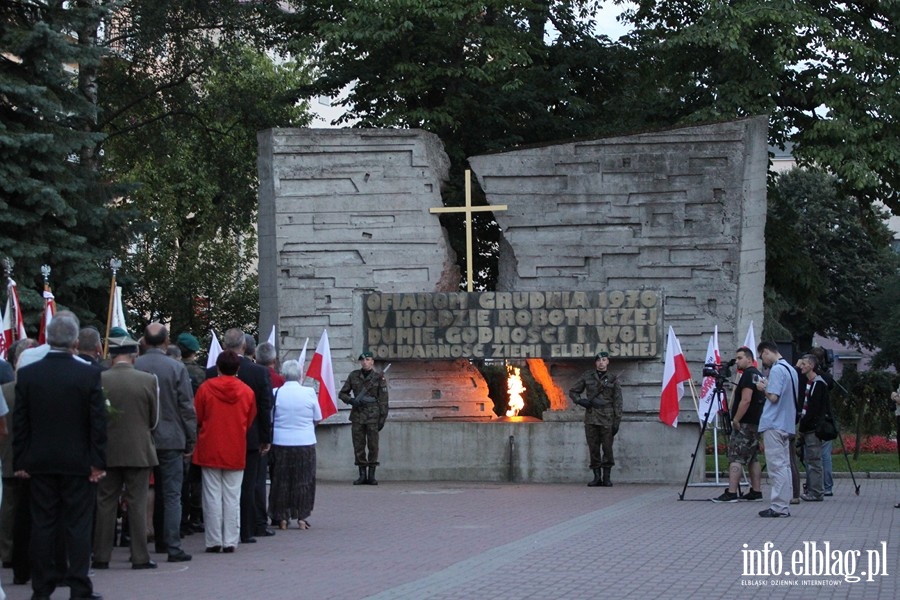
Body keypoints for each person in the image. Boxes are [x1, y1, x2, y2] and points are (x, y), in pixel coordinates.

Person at [13, 313, 107, 600]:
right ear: (75, 341)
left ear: (48, 339)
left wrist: (21, 460)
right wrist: (97, 461)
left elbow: (21, 421)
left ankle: (42, 587)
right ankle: (79, 586)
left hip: (39, 461)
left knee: (43, 524)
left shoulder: (29, 374)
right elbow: (97, 421)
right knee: (78, 525)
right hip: (78, 462)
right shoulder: (88, 373)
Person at [92, 333, 159, 570]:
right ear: (134, 355)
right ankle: (140, 556)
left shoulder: (99, 378)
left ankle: (101, 555)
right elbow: (154, 419)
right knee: (137, 503)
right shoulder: (147, 380)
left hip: (107, 449)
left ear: (111, 355)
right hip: (139, 449)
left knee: (105, 502)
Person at [134, 322, 196, 562]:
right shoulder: (176, 367)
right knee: (171, 494)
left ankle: (138, 548)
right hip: (171, 438)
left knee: (139, 494)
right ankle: (171, 545)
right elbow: (186, 407)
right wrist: (190, 440)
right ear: (166, 342)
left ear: (144, 342)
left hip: (141, 438)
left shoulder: (135, 365)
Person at [205, 328, 273, 542]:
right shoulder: (259, 372)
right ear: (244, 346)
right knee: (246, 485)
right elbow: (265, 407)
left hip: (217, 436)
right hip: (249, 437)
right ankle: (244, 530)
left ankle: (217, 533)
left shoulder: (210, 373)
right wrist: (265, 437)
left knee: (216, 489)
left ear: (225, 346)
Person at [193, 351, 257, 553]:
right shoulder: (247, 392)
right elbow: (249, 419)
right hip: (235, 446)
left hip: (210, 445)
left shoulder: (205, 388)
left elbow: (199, 416)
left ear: (218, 367)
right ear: (238, 368)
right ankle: (230, 539)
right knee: (232, 496)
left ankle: (213, 540)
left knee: (211, 496)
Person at [268, 360, 321, 530]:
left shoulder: (275, 392)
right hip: (305, 442)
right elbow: (317, 417)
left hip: (280, 442)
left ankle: (281, 517)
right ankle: (302, 516)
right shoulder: (309, 392)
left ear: (283, 375)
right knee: (304, 480)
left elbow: (270, 419)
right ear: (300, 375)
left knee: (281, 480)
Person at [711, 347, 765, 502]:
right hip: (755, 422)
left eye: (740, 358)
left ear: (749, 359)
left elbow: (746, 399)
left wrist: (736, 419)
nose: (737, 361)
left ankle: (732, 492)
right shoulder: (757, 374)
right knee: (753, 457)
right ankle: (756, 491)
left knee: (736, 456)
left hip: (745, 423)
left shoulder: (748, 374)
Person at [755, 341, 799, 518]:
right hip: (786, 422)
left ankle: (779, 506)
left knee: (776, 466)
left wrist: (763, 387)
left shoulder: (777, 370)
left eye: (761, 356)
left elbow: (773, 397)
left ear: (766, 352)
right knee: (785, 466)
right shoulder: (791, 370)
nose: (762, 360)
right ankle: (784, 503)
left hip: (774, 422)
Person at [568, 351, 623, 487]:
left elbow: (618, 401)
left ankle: (607, 477)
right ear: (595, 363)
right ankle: (596, 477)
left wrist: (617, 421)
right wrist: (581, 401)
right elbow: (573, 391)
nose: (601, 363)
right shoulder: (587, 376)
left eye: (604, 360)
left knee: (607, 448)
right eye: (599, 360)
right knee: (593, 448)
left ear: (608, 362)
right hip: (591, 417)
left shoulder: (613, 378)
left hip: (607, 417)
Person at [339, 351, 389, 485]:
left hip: (373, 416)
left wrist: (382, 419)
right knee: (358, 446)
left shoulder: (379, 378)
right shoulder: (354, 375)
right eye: (363, 360)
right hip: (358, 415)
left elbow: (384, 400)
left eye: (368, 359)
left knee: (373, 446)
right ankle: (362, 475)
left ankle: (371, 475)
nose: (365, 362)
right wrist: (351, 401)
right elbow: (342, 394)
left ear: (372, 362)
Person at [177, 332, 206, 535]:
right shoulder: (202, 374)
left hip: (174, 429)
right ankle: (195, 516)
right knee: (195, 477)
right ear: (195, 351)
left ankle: (180, 519)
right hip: (196, 428)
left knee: (177, 479)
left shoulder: (174, 369)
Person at [796, 354, 827, 502]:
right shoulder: (809, 382)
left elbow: (813, 409)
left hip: (813, 428)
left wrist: (803, 426)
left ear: (812, 366)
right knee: (809, 459)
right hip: (808, 425)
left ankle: (816, 491)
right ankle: (812, 488)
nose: (801, 367)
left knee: (814, 460)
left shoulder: (818, 384)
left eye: (804, 364)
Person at [809, 347, 834, 496]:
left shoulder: (814, 377)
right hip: (824, 417)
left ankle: (817, 485)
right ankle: (827, 486)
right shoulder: (826, 377)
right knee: (825, 454)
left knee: (817, 455)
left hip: (817, 419)